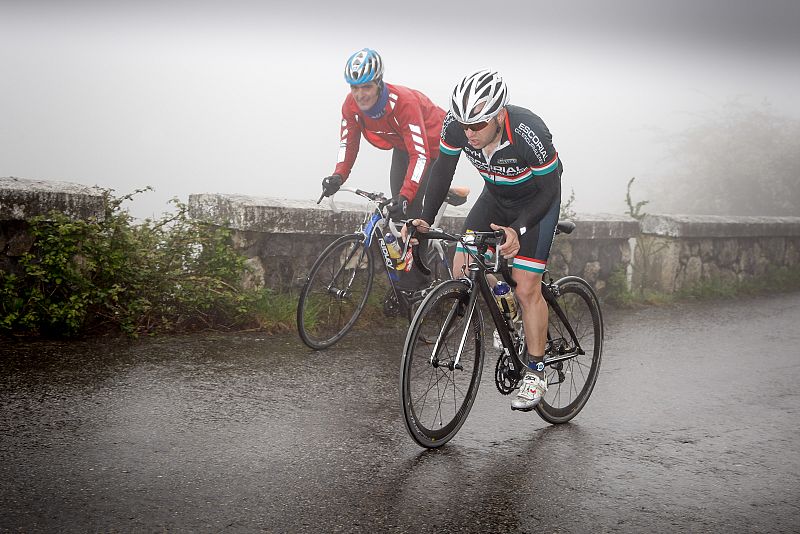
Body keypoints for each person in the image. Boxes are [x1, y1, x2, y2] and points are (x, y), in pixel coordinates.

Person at [406, 69, 562, 411]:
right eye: (464, 125)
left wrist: (518, 230)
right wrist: (425, 219)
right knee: (462, 267)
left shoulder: (526, 130)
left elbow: (549, 188)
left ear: (499, 115)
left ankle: (535, 372)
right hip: (495, 197)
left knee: (526, 286)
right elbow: (442, 170)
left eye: (477, 126)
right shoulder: (456, 126)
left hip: (536, 202)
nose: (469, 133)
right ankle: (506, 306)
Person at [320, 48, 446, 299]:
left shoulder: (404, 102)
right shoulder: (351, 105)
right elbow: (348, 143)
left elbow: (420, 155)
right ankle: (407, 268)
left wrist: (408, 194)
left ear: (378, 83)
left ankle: (419, 283)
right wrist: (338, 175)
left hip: (434, 146)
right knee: (397, 208)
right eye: (354, 87)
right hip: (403, 146)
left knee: (412, 211)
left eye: (365, 86)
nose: (359, 94)